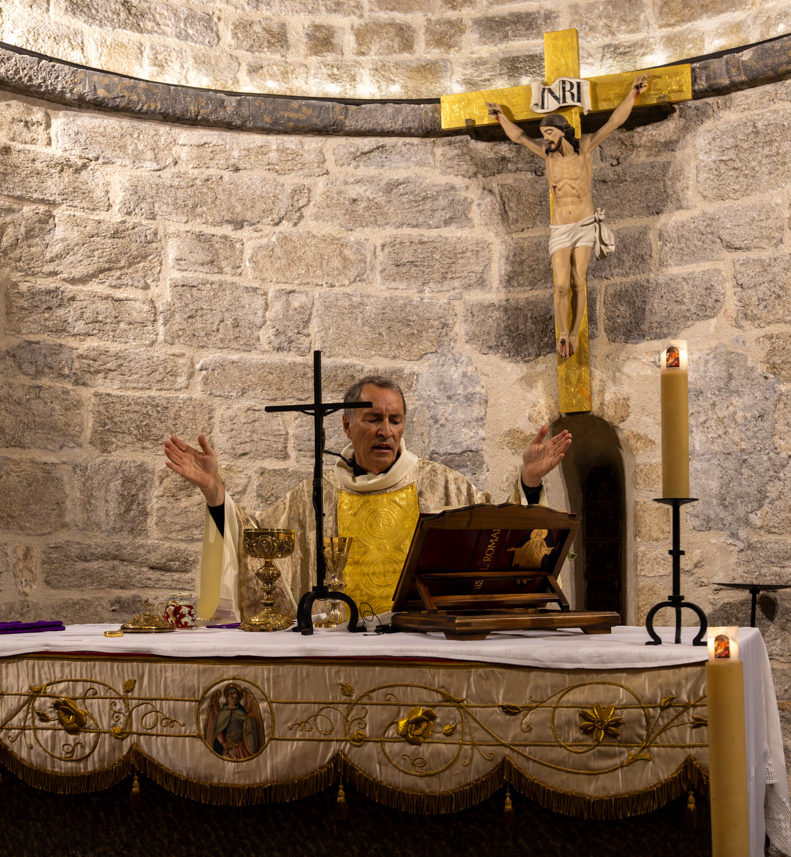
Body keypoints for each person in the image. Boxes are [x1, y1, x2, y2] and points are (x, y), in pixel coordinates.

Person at [164, 375, 571, 621]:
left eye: (395, 420)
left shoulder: (440, 487)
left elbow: (498, 536)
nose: (385, 431)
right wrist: (215, 491)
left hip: (423, 642)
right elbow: (258, 542)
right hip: (340, 648)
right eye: (373, 419)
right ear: (346, 425)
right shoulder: (316, 496)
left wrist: (528, 481)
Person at [486, 74, 649, 359]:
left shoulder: (584, 148)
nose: (545, 138)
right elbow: (520, 137)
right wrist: (501, 117)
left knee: (577, 280)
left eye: (549, 132)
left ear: (562, 131)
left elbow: (613, 122)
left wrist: (633, 95)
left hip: (584, 224)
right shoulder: (547, 155)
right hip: (560, 227)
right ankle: (562, 332)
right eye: (543, 133)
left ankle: (573, 332)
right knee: (560, 285)